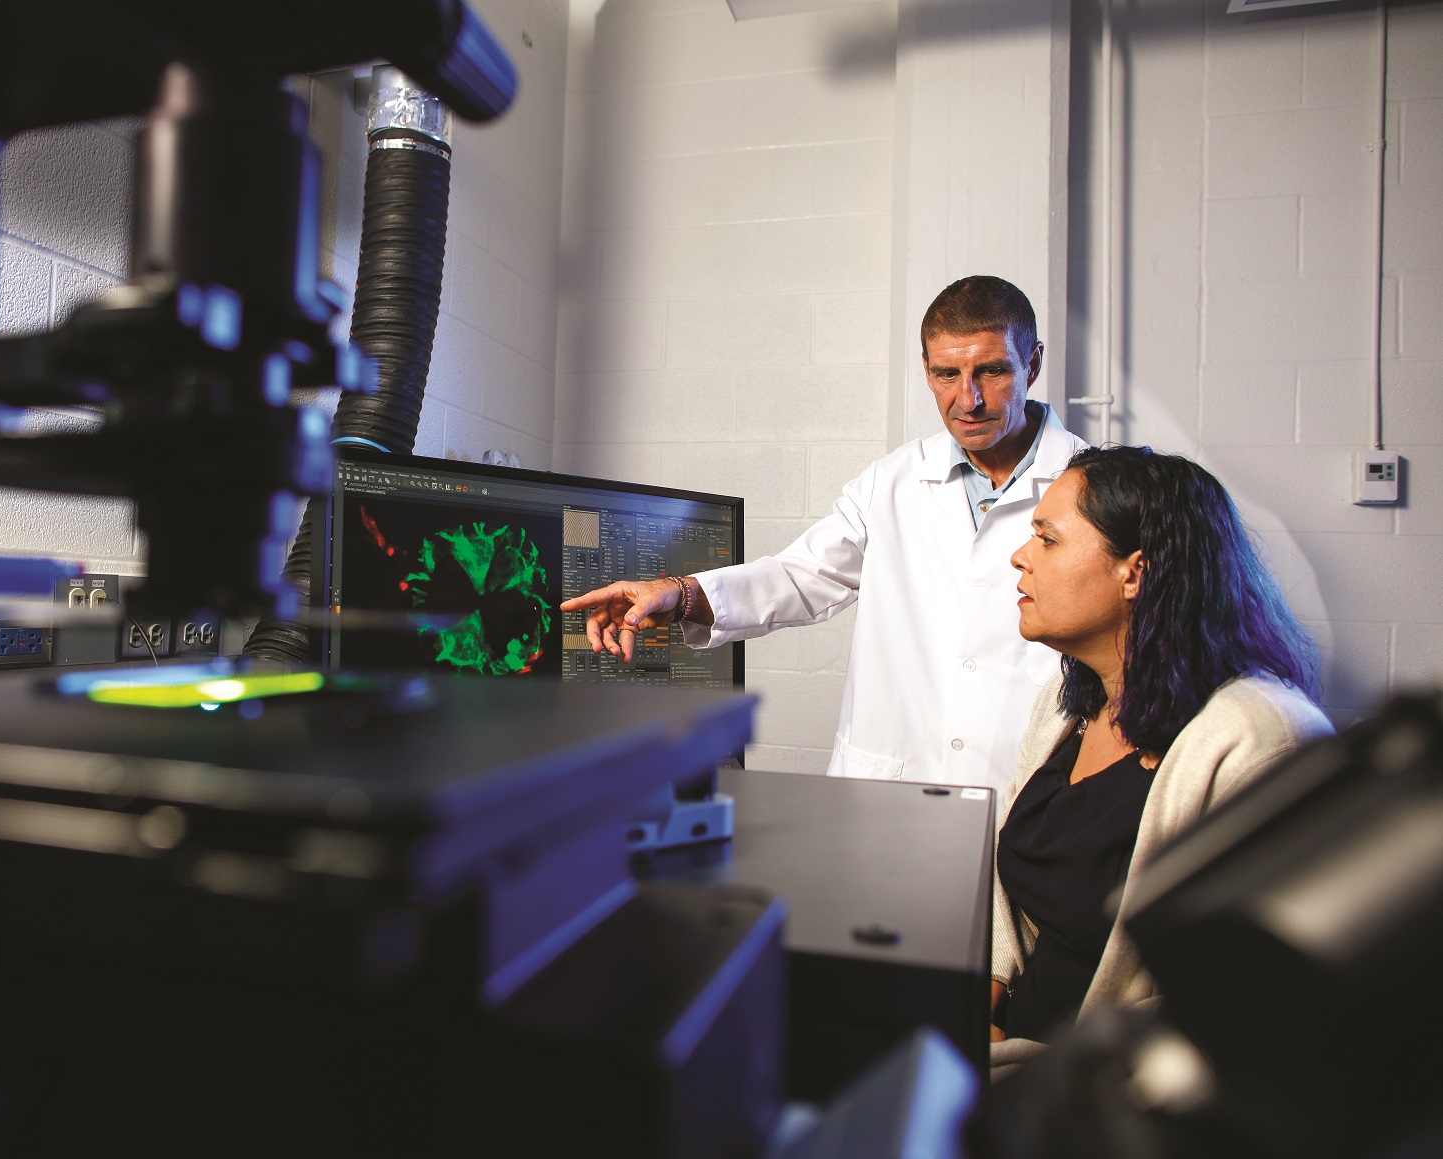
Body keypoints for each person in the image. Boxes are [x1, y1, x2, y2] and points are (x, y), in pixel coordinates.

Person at [561, 275, 1088, 795]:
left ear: (1033, 363)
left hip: (1027, 789)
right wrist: (680, 594)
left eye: (992, 371)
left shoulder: (1094, 486)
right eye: (947, 374)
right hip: (893, 786)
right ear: (926, 372)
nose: (967, 398)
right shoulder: (893, 480)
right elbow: (801, 575)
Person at [989, 445, 1330, 1063]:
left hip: (1098, 1088)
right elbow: (1019, 909)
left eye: (1048, 539)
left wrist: (1027, 1068)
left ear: (1135, 572)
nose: (1020, 557)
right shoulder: (1069, 705)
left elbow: (1249, 1008)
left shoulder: (1260, 738)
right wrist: (987, 994)